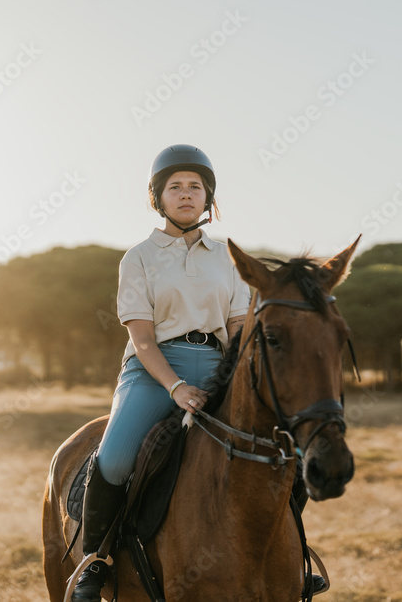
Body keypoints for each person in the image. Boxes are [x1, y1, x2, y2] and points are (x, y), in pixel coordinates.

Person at [72, 144, 326, 602]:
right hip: (153, 371)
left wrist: (240, 375)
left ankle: (291, 557)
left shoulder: (227, 258)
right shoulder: (139, 258)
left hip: (217, 364)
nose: (186, 194)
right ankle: (96, 561)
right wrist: (176, 387)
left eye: (195, 187)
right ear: (159, 197)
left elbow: (235, 326)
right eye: (175, 187)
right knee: (113, 459)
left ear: (208, 198)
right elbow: (142, 337)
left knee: (286, 450)